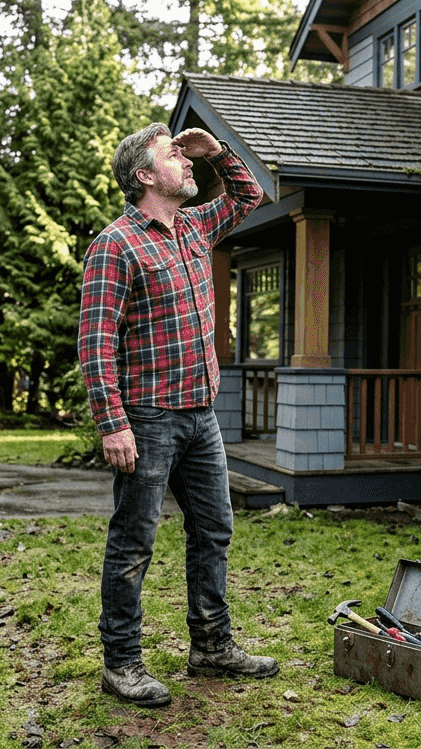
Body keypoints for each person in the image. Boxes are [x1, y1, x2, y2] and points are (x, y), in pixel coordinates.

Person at [78, 123, 278, 708]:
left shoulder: (193, 227)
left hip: (201, 413)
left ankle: (212, 646)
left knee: (214, 529)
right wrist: (112, 422)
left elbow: (250, 196)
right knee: (135, 541)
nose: (186, 163)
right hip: (147, 418)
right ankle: (121, 663)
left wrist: (215, 152)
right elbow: (96, 342)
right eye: (174, 156)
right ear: (145, 176)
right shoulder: (115, 245)